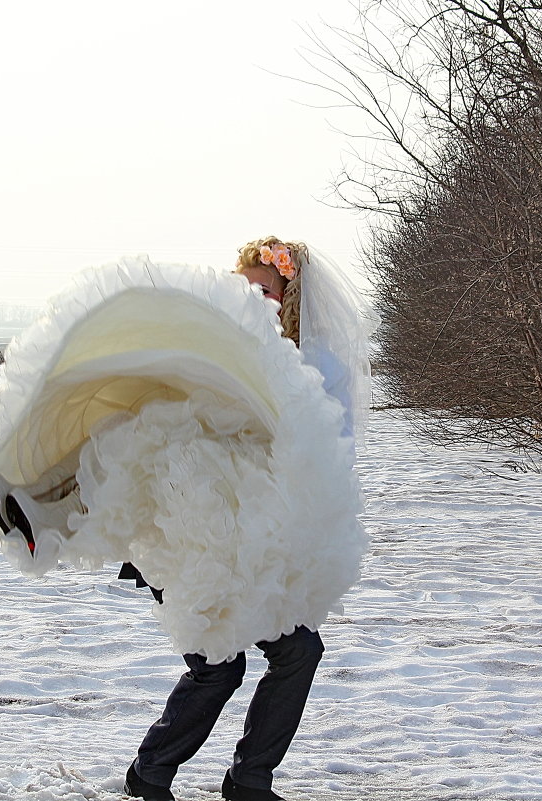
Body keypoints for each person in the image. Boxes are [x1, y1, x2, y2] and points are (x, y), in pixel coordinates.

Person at [122, 236, 369, 801]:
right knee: (218, 663)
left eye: (267, 288)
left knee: (299, 651)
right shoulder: (209, 344)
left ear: (290, 296)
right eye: (247, 286)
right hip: (188, 527)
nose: (254, 297)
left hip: (261, 537)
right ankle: (151, 771)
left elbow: (330, 448)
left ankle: (250, 778)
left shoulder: (315, 365)